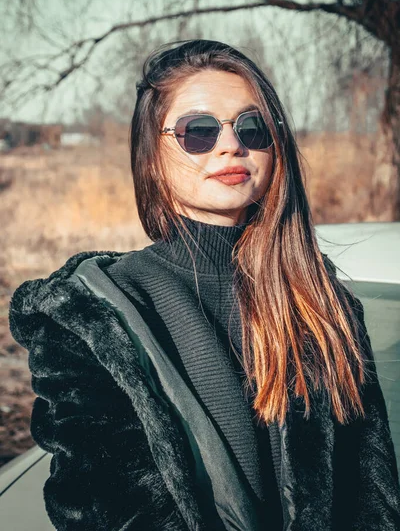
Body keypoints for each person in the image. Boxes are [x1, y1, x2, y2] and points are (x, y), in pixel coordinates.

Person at [8, 39, 400, 531]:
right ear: (152, 155)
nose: (231, 144)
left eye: (253, 127)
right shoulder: (92, 314)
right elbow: (100, 508)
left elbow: (372, 498)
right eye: (199, 131)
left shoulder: (324, 305)